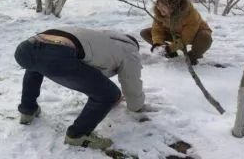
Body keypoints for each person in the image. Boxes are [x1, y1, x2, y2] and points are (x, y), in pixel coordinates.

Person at [14, 27, 147, 150]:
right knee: (109, 94)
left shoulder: (102, 35)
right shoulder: (130, 51)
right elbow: (131, 82)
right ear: (134, 45)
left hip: (26, 48)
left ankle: (27, 109)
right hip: (56, 56)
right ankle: (78, 135)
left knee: (37, 64)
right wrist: (136, 106)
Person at [139, 0, 212, 65]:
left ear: (174, 8)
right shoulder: (160, 13)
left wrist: (169, 48)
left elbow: (186, 39)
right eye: (159, 8)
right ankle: (170, 53)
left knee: (205, 37)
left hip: (195, 35)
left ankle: (193, 56)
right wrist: (158, 44)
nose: (161, 13)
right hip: (173, 33)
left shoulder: (192, 15)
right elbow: (157, 30)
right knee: (145, 33)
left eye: (164, 11)